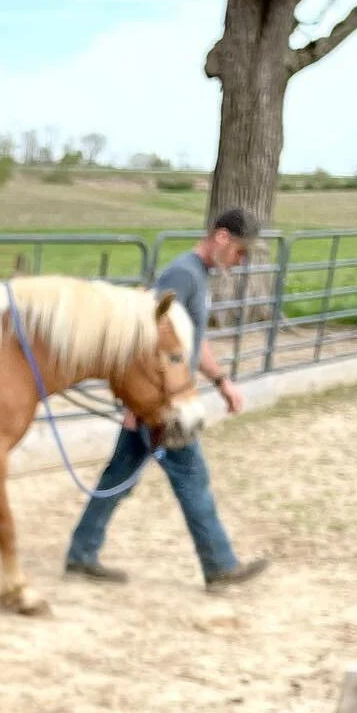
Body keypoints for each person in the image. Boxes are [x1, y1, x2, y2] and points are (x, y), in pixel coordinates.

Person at [65, 207, 269, 591]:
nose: (240, 261)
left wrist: (222, 380)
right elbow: (146, 338)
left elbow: (191, 341)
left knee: (119, 477)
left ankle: (81, 551)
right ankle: (220, 565)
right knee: (193, 477)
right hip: (159, 405)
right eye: (240, 251)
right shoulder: (183, 275)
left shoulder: (196, 277)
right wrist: (133, 404)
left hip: (157, 402)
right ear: (221, 237)